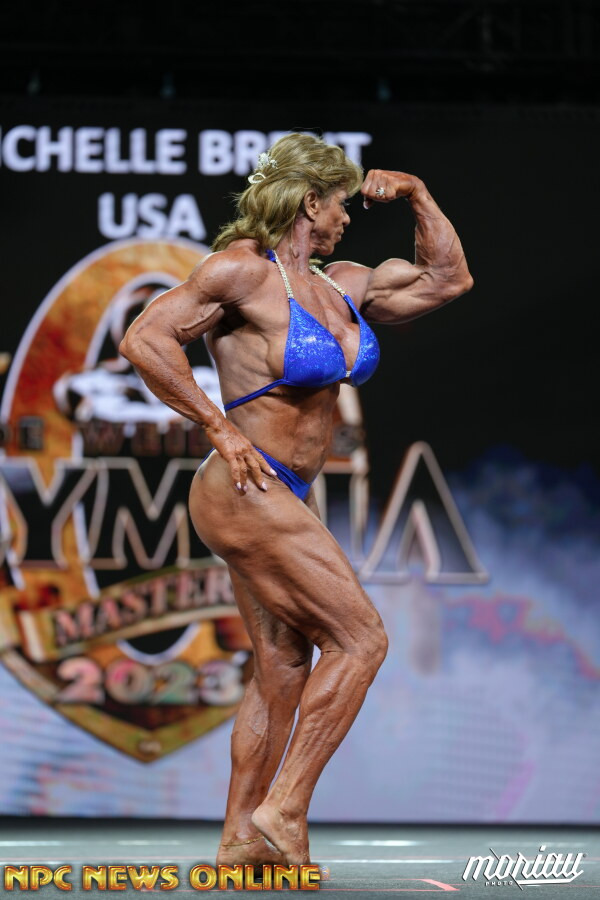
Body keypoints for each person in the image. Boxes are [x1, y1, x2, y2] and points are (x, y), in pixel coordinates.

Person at [119, 133, 473, 866]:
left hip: (288, 493)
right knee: (362, 640)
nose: (346, 217)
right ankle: (284, 807)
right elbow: (145, 340)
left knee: (282, 668)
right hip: (244, 487)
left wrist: (417, 193)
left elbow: (448, 279)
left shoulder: (344, 284)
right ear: (310, 202)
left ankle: (240, 840)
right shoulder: (241, 272)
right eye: (339, 203)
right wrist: (218, 428)